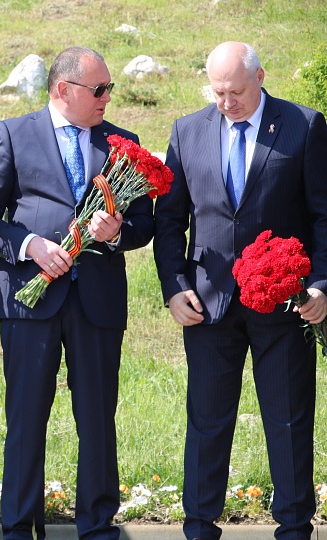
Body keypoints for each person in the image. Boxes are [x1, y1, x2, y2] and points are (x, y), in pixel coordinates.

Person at [0, 46, 154, 540]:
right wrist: (29, 245)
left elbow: (144, 224)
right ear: (62, 89)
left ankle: (98, 528)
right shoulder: (14, 133)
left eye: (110, 87)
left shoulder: (123, 143)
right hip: (29, 302)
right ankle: (19, 529)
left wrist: (117, 233)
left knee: (97, 420)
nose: (108, 97)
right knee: (26, 419)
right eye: (99, 89)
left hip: (97, 302)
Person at [154, 41, 327, 540]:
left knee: (288, 421)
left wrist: (319, 285)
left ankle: (294, 528)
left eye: (236, 91)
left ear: (260, 77)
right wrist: (175, 287)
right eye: (217, 92)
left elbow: (324, 216)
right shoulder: (188, 131)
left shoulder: (303, 126)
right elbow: (170, 223)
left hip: (285, 305)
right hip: (208, 305)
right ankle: (199, 526)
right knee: (207, 421)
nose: (226, 102)